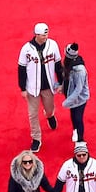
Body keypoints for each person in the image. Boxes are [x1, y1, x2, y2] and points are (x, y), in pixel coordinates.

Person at [17, 22, 61, 153]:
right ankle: (36, 138)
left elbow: (58, 64)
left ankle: (50, 115)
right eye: (43, 34)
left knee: (49, 107)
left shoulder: (53, 45)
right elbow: (21, 68)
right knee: (32, 114)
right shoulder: (26, 49)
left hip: (48, 86)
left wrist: (61, 82)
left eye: (47, 33)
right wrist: (23, 88)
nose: (46, 36)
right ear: (36, 35)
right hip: (32, 88)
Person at [60, 42, 90, 142]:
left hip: (80, 99)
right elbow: (66, 78)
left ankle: (80, 140)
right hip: (71, 95)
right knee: (73, 115)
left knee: (78, 118)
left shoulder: (80, 70)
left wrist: (67, 101)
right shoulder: (69, 64)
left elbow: (79, 89)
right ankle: (75, 131)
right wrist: (61, 87)